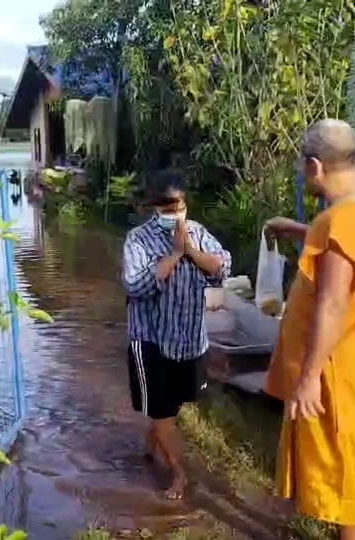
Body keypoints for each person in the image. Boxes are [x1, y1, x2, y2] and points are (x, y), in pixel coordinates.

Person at [263, 119, 355, 540]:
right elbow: (353, 255)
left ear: (315, 166)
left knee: (345, 489)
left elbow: (335, 303)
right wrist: (301, 231)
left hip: (337, 376)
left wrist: (308, 379)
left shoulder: (343, 220)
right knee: (351, 482)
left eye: (304, 165)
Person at [121, 169, 231, 500]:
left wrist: (191, 252)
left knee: (174, 406)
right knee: (163, 410)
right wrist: (173, 256)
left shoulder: (199, 234)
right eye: (168, 208)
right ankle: (178, 474)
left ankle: (154, 436)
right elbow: (134, 285)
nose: (175, 213)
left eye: (179, 205)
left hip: (189, 341)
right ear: (155, 207)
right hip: (150, 340)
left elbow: (223, 268)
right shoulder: (138, 240)